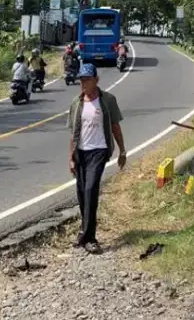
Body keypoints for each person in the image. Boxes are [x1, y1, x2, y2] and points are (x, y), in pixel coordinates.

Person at [67, 63, 125, 254]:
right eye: (81, 80)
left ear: (96, 80)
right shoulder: (76, 103)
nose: (84, 83)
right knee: (82, 193)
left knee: (91, 189)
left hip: (99, 151)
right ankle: (84, 232)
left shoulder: (107, 100)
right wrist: (71, 158)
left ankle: (90, 238)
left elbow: (115, 126)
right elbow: (74, 134)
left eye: (87, 79)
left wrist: (122, 151)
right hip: (81, 153)